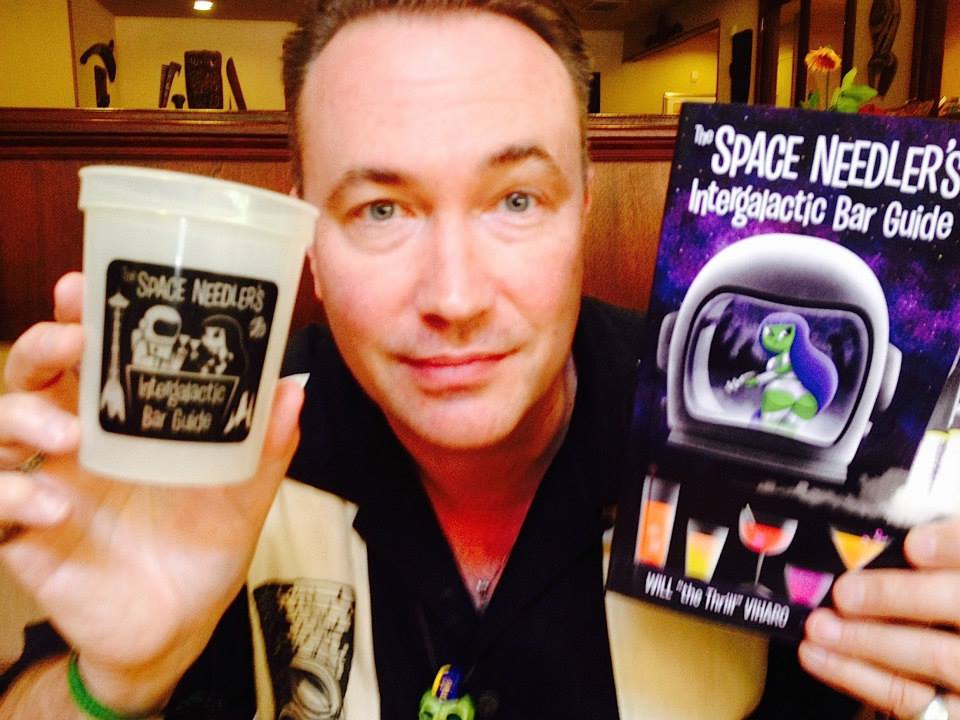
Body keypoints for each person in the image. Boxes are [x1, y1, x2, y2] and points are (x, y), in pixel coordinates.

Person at [1, 1, 959, 718]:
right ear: (308, 241)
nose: (454, 298)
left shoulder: (769, 448)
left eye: (516, 201)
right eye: (381, 209)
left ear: (584, 211)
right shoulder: (216, 439)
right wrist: (111, 684)